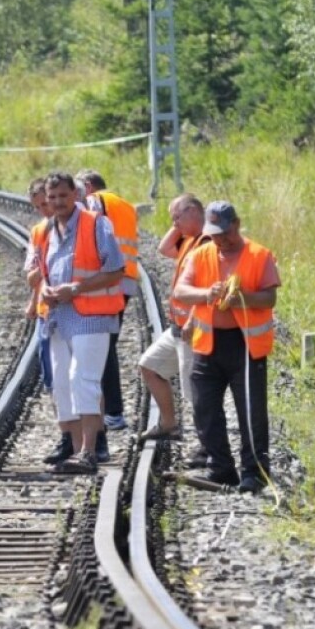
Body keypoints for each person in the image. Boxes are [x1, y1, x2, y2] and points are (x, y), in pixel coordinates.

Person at [172, 201, 280, 494]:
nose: (219, 239)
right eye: (214, 233)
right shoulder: (201, 254)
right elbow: (181, 291)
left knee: (251, 411)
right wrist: (207, 294)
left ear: (237, 224)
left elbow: (269, 298)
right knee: (204, 408)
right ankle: (221, 469)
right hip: (207, 345)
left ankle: (254, 473)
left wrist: (242, 297)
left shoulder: (259, 255)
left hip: (245, 345)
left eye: (224, 232)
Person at [35, 172, 126, 474]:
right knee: (62, 383)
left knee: (82, 379)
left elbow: (116, 270)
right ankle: (75, 451)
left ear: (75, 195)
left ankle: (89, 451)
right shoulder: (48, 229)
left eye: (63, 195)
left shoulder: (96, 223)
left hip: (93, 315)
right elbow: (42, 270)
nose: (58, 202)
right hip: (59, 317)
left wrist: (75, 289)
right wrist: (46, 290)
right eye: (52, 197)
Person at [136, 194, 208, 467]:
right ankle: (168, 424)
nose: (173, 223)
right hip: (176, 329)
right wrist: (179, 224)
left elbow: (206, 288)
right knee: (149, 366)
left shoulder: (207, 243)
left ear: (194, 212)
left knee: (194, 393)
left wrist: (193, 320)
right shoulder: (188, 239)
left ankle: (205, 447)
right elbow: (164, 249)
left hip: (192, 329)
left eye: (177, 216)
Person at [77, 169, 138, 433]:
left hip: (108, 279)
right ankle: (111, 410)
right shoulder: (124, 204)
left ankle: (113, 412)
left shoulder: (96, 202)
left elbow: (92, 233)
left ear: (88, 187)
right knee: (106, 344)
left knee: (103, 347)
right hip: (127, 278)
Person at [22, 177, 54, 394]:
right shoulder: (38, 231)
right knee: (46, 356)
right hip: (45, 306)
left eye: (45, 203)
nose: (43, 210)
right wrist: (33, 302)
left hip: (70, 305)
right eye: (38, 207)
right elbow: (34, 274)